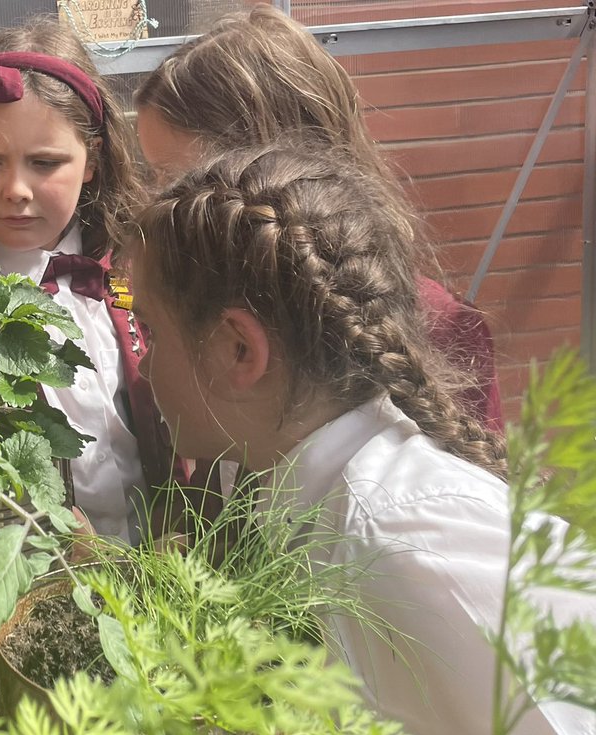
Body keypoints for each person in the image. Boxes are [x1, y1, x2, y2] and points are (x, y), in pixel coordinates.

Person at [130, 142, 595, 735]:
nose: (142, 367)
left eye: (149, 334)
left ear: (238, 350)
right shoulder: (299, 502)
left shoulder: (402, 539)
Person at [134, 3, 504, 433]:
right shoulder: (201, 312)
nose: (156, 199)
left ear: (273, 164)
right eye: (155, 176)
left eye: (177, 178)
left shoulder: (436, 326)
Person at [0, 18, 181, 545]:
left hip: (170, 570)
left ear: (92, 161)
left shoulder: (143, 266)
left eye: (45, 162)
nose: (16, 188)